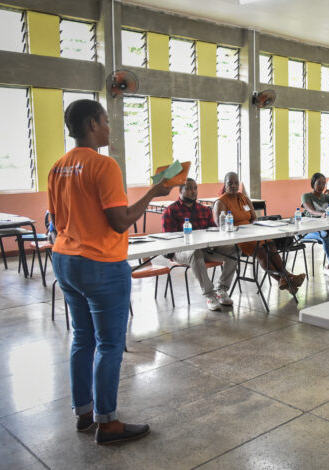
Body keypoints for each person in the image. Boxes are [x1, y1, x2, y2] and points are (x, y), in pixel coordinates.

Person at [49, 99, 172, 444]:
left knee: (82, 338)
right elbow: (119, 222)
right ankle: (108, 423)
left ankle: (84, 413)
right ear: (91, 124)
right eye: (105, 121)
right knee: (109, 344)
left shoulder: (57, 167)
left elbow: (57, 220)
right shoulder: (104, 166)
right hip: (100, 264)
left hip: (65, 259)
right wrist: (153, 193)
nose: (109, 127)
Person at [215, 172, 305, 293]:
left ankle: (286, 277)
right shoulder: (221, 202)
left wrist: (253, 227)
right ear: (225, 185)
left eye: (236, 183)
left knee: (271, 245)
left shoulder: (244, 198)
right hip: (237, 238)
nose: (233, 186)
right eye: (230, 183)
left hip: (251, 233)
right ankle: (284, 279)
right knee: (262, 251)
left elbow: (254, 217)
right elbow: (220, 225)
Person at [161, 178, 237, 310]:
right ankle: (210, 295)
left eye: (195, 188)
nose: (193, 191)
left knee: (234, 250)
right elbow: (170, 240)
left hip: (205, 249)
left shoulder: (204, 210)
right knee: (195, 253)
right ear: (180, 191)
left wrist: (215, 241)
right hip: (181, 252)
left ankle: (222, 290)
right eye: (189, 188)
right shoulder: (170, 211)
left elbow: (214, 232)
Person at [301, 172, 329, 277]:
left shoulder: (326, 197)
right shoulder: (306, 196)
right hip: (310, 227)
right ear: (313, 183)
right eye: (319, 183)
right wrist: (322, 214)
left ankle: (328, 266)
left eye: (323, 184)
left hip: (325, 226)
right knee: (326, 237)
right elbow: (311, 211)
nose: (321, 186)